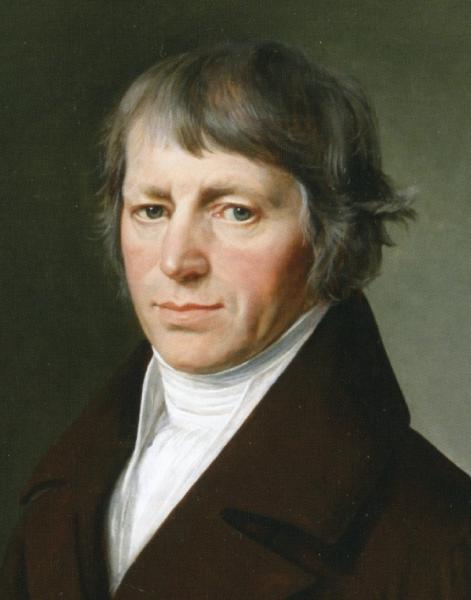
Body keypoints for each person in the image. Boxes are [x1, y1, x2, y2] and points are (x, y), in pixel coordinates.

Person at [2, 40, 470, 599]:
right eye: (152, 210)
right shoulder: (66, 492)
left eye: (236, 212)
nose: (176, 261)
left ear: (331, 234)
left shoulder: (439, 536)